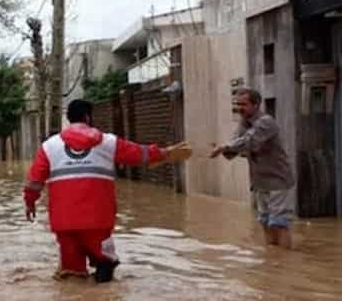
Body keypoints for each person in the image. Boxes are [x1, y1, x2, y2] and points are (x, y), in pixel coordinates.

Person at [23, 99, 192, 282]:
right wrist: (164, 153)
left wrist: (30, 203)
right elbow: (139, 153)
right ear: (88, 117)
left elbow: (34, 182)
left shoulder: (49, 147)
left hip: (64, 223)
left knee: (71, 275)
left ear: (69, 118)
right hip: (98, 221)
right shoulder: (107, 142)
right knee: (106, 264)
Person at [210, 87, 295, 249]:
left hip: (278, 179)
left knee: (279, 222)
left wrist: (223, 147)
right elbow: (236, 144)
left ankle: (285, 259)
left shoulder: (266, 122)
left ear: (255, 105)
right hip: (260, 181)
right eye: (237, 104)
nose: (239, 108)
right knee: (265, 220)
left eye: (243, 104)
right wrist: (224, 149)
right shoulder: (244, 123)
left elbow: (248, 142)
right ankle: (273, 260)